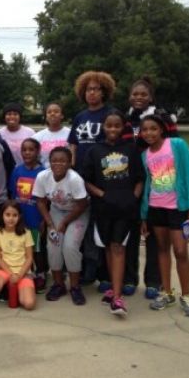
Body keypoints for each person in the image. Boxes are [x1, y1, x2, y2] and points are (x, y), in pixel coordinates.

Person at [68, 71, 133, 287]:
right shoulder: (80, 117)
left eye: (96, 89)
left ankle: (104, 273)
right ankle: (87, 267)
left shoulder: (111, 114)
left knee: (103, 228)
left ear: (104, 91)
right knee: (83, 225)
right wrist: (72, 170)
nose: (92, 93)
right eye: (88, 89)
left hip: (105, 179)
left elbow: (123, 145)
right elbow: (73, 145)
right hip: (82, 178)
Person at [82, 110, 145, 316]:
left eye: (117, 125)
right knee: (108, 247)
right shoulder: (95, 150)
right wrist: (102, 194)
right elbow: (87, 179)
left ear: (122, 127)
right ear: (103, 127)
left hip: (125, 210)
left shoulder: (131, 149)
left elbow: (139, 178)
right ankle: (112, 288)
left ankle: (117, 298)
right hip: (103, 208)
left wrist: (133, 198)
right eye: (109, 125)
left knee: (118, 247)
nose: (113, 129)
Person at [140, 114, 189, 317]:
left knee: (181, 251)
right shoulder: (144, 155)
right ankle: (166, 292)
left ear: (162, 130)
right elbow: (148, 184)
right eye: (145, 129)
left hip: (178, 208)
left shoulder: (177, 145)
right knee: (162, 249)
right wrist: (143, 215)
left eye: (153, 129)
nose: (149, 133)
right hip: (156, 209)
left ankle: (187, 295)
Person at [125, 76, 177, 298]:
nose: (139, 98)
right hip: (131, 183)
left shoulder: (163, 117)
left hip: (158, 182)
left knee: (155, 236)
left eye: (143, 94)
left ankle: (154, 282)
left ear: (151, 97)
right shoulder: (125, 119)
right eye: (135, 94)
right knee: (130, 234)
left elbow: (173, 148)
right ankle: (129, 278)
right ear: (130, 96)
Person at [33, 147, 89, 305]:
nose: (58, 163)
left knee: (70, 247)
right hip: (57, 211)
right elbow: (40, 201)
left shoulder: (74, 179)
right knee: (53, 245)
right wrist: (50, 223)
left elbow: (82, 205)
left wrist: (65, 223)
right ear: (49, 162)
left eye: (63, 161)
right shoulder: (43, 176)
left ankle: (75, 287)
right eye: (54, 160)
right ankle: (59, 284)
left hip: (78, 212)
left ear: (69, 163)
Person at [9, 138, 46, 293]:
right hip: (21, 221)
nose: (27, 152)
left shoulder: (43, 172)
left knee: (37, 250)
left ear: (38, 151)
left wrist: (45, 219)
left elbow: (46, 199)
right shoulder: (17, 170)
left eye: (31, 149)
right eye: (24, 150)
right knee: (23, 250)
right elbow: (12, 194)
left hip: (35, 220)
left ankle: (41, 274)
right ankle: (28, 273)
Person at [0, 201, 36, 310]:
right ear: (2, 215)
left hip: (23, 272)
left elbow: (29, 258)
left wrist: (19, 275)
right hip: (4, 270)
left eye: (15, 215)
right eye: (7, 215)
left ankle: (18, 289)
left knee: (29, 304)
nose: (11, 218)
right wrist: (11, 274)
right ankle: (7, 287)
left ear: (19, 216)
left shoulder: (26, 232)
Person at [32, 103, 70, 168]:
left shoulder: (70, 134)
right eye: (49, 112)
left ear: (62, 115)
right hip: (44, 175)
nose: (52, 114)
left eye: (56, 111)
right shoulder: (37, 137)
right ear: (46, 116)